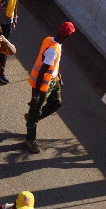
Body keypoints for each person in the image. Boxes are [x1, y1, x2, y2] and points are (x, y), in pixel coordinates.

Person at [25, 22, 74, 154]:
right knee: (35, 111)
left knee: (56, 103)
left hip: (53, 81)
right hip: (42, 85)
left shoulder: (50, 40)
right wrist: (36, 94)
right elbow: (42, 71)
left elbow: (54, 65)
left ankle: (31, 117)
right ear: (68, 36)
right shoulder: (53, 49)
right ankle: (30, 139)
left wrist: (59, 77)